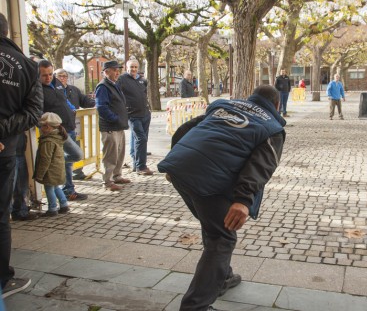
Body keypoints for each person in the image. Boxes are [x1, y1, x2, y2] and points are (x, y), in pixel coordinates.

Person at [158, 85, 286, 311]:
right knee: (222, 238)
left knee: (214, 226)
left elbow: (186, 129)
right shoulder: (272, 127)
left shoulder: (223, 105)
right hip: (208, 180)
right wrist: (243, 200)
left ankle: (223, 277)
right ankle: (194, 307)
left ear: (251, 97)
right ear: (277, 105)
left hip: (180, 170)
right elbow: (261, 166)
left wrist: (175, 160)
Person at [0, 12, 43, 297]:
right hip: (5, 148)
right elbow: (32, 113)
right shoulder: (27, 66)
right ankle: (3, 280)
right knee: (1, 217)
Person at [39, 61, 87, 201]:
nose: (48, 78)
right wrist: (44, 126)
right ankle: (67, 189)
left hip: (69, 127)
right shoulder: (37, 89)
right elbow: (36, 112)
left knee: (70, 160)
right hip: (56, 132)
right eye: (44, 75)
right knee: (76, 155)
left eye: (50, 74)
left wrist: (71, 110)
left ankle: (68, 188)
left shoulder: (58, 83)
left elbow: (64, 101)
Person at [95, 60, 131, 191]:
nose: (117, 72)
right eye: (115, 70)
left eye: (118, 70)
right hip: (110, 127)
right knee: (110, 155)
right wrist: (115, 118)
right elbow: (101, 107)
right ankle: (108, 181)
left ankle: (117, 176)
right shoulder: (103, 86)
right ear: (106, 71)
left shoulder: (113, 85)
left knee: (119, 153)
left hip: (118, 126)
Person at [54, 69, 95, 181]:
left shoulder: (73, 90)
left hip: (74, 126)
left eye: (64, 76)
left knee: (76, 152)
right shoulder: (53, 90)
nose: (62, 78)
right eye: (59, 76)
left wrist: (97, 102)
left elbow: (85, 101)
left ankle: (77, 172)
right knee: (67, 154)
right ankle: (65, 183)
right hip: (60, 128)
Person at [116, 57, 153, 175]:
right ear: (127, 67)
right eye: (131, 67)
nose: (134, 69)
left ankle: (135, 163)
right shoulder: (121, 79)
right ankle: (141, 167)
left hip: (145, 114)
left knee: (140, 139)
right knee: (140, 139)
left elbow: (145, 94)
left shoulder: (142, 80)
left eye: (136, 67)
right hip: (133, 115)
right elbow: (117, 95)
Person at [34, 112, 70, 217]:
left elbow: (45, 159)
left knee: (49, 189)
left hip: (50, 170)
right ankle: (63, 204)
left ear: (47, 127)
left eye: (41, 126)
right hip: (57, 168)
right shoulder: (58, 137)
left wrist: (40, 174)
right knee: (55, 187)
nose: (40, 129)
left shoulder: (48, 141)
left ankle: (52, 208)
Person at [11, 133, 39, 221]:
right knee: (10, 187)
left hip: (20, 152)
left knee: (22, 185)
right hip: (10, 153)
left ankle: (20, 211)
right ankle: (12, 213)